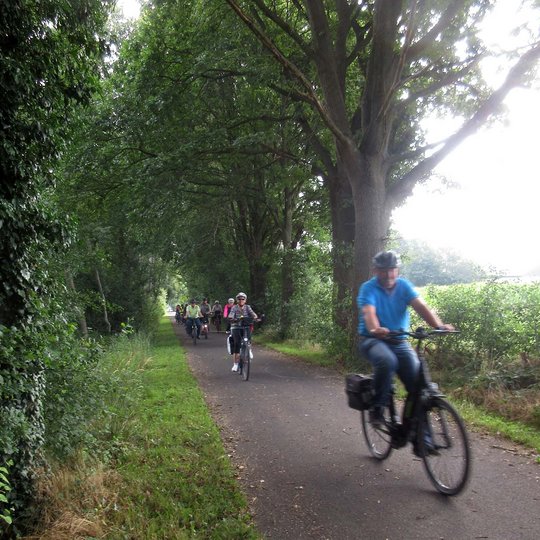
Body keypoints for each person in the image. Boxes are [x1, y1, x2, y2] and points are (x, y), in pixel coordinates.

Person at [357, 250, 454, 429]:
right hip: (373, 340)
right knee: (387, 361)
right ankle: (377, 408)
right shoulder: (368, 288)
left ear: (398, 270)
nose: (389, 275)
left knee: (419, 387)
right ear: (375, 271)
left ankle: (422, 440)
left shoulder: (403, 286)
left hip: (399, 341)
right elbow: (368, 312)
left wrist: (438, 326)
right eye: (384, 270)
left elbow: (420, 306)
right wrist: (375, 328)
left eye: (392, 270)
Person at [228, 292, 258, 372]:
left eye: (243, 299)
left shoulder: (248, 307)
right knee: (237, 344)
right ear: (237, 300)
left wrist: (255, 317)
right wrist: (232, 318)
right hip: (236, 327)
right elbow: (231, 314)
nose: (241, 300)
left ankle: (249, 349)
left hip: (246, 326)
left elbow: (253, 314)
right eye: (239, 299)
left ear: (245, 300)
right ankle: (235, 364)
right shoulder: (234, 307)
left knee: (248, 339)